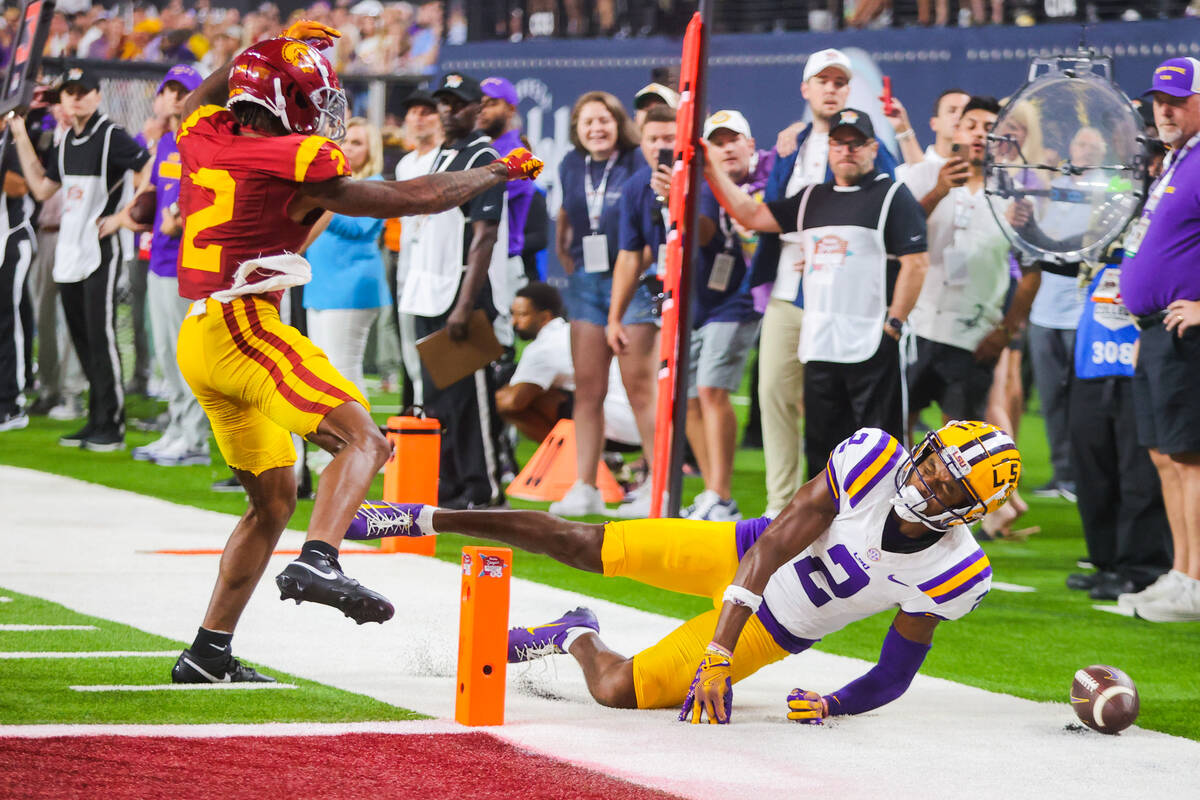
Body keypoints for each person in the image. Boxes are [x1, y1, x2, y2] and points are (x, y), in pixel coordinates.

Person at [168, 26, 542, 683]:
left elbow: (204, 93)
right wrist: (495, 169)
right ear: (283, 101)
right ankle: (318, 559)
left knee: (273, 500)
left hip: (198, 335)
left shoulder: (204, 134)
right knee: (365, 439)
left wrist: (264, 46)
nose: (322, 109)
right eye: (308, 95)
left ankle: (207, 653)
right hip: (243, 325)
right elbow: (410, 198)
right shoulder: (291, 156)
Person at [345, 420, 1020, 724]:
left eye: (951, 486)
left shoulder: (954, 570)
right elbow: (774, 547)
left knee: (616, 691)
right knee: (584, 543)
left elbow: (896, 672)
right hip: (743, 553)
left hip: (780, 628)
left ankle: (573, 634)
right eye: (933, 463)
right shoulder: (873, 459)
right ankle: (425, 516)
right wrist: (719, 651)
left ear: (974, 510)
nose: (930, 482)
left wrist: (835, 704)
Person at [709, 109, 929, 480]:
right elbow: (751, 215)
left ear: (872, 148)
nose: (846, 151)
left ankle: (883, 534)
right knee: (823, 456)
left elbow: (916, 263)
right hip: (820, 344)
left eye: (855, 143)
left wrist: (893, 324)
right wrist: (708, 171)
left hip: (870, 343)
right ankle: (824, 535)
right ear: (829, 149)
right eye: (839, 144)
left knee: (882, 454)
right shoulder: (811, 198)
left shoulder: (891, 195)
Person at [751, 48, 899, 517]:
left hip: (847, 298)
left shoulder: (873, 148)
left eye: (840, 82)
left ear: (849, 91)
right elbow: (770, 211)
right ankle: (782, 506)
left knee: (840, 411)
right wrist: (782, 155)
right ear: (806, 89)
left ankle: (852, 504)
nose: (831, 89)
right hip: (790, 288)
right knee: (773, 395)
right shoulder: (790, 145)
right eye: (823, 81)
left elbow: (892, 209)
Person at [9, 65, 152, 452]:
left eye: (82, 91)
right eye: (69, 92)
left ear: (97, 95)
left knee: (101, 337)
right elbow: (41, 188)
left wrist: (125, 215)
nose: (74, 97)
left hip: (100, 250)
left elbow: (148, 167)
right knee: (83, 336)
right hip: (71, 251)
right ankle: (96, 418)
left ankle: (113, 423)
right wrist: (21, 133)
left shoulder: (111, 135)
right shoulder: (68, 139)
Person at [397, 71, 512, 510]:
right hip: (429, 289)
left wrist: (466, 305)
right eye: (443, 102)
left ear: (477, 110)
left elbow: (484, 238)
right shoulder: (442, 155)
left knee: (472, 399)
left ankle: (483, 489)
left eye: (458, 103)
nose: (448, 110)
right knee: (440, 396)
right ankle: (449, 485)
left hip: (462, 294)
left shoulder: (483, 157)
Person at [1117, 57, 1200, 621]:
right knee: (1164, 454)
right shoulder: (1176, 161)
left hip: (1186, 332)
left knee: (1190, 457)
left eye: (1177, 99)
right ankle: (1180, 570)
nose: (1163, 109)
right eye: (1158, 100)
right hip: (1156, 330)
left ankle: (1196, 582)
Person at [549, 91, 645, 517]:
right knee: (588, 389)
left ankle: (654, 486)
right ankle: (584, 485)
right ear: (577, 129)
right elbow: (567, 213)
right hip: (586, 283)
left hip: (634, 278)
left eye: (604, 120)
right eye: (588, 122)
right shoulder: (570, 164)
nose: (597, 129)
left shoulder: (637, 160)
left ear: (618, 122)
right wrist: (566, 253)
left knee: (641, 388)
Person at [680, 110, 766, 521]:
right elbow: (703, 234)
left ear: (751, 146)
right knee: (693, 396)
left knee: (713, 389)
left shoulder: (767, 180)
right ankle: (713, 492)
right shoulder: (699, 186)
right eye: (717, 142)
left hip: (743, 298)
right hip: (701, 301)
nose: (727, 147)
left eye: (735, 139)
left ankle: (722, 494)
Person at [604, 104, 680, 517]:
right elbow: (630, 255)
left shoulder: (698, 180)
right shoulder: (635, 187)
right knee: (637, 382)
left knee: (688, 391)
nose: (661, 146)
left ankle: (676, 482)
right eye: (653, 138)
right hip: (649, 288)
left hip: (691, 292)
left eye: (669, 138)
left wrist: (674, 197)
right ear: (642, 140)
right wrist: (614, 316)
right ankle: (656, 477)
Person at [302, 117, 392, 400]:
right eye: (345, 141)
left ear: (372, 150)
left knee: (344, 372)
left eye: (357, 143)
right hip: (320, 284)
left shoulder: (375, 183)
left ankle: (362, 443)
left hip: (352, 286)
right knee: (324, 372)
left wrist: (321, 203)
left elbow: (360, 228)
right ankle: (339, 444)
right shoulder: (334, 186)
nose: (348, 148)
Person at [496, 281, 640, 448]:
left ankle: (566, 458)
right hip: (638, 423)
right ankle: (602, 460)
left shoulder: (543, 349)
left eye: (522, 315)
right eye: (513, 314)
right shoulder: (569, 332)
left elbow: (514, 402)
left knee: (523, 401)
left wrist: (488, 401)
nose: (514, 322)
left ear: (544, 316)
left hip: (615, 429)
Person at [394, 88, 444, 409]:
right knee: (409, 343)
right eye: (412, 112)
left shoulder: (450, 157)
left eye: (426, 111)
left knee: (438, 348)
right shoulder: (405, 164)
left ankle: (437, 409)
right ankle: (421, 408)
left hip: (439, 266)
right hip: (408, 262)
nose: (417, 118)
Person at [0, 119, 35, 431]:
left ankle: (12, 403)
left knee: (8, 322)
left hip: (10, 239)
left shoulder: (9, 141)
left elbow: (20, 185)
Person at [893, 88, 970, 183]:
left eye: (965, 112)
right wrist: (902, 129)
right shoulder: (903, 174)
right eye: (952, 110)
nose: (959, 116)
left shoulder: (985, 176)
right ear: (934, 123)